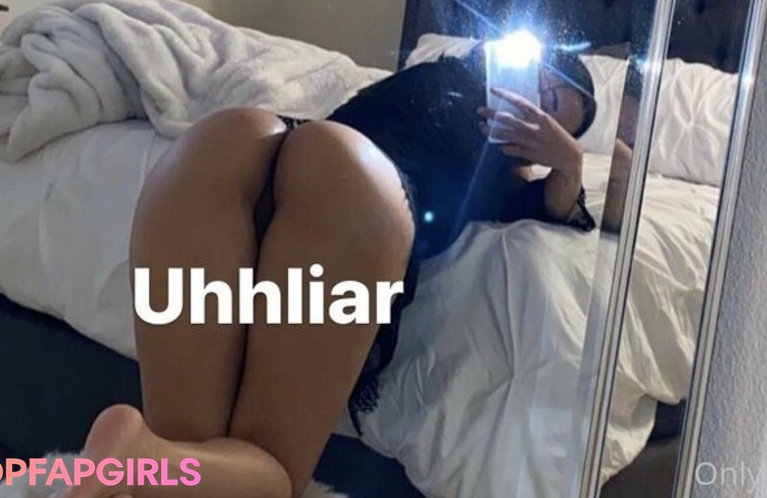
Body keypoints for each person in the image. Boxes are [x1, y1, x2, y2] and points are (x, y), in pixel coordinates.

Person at [67, 45, 598, 498]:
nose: (533, 100)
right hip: (351, 180)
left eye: (550, 110)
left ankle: (132, 459)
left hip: (230, 143)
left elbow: (561, 206)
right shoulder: (467, 104)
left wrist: (568, 161)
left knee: (184, 453)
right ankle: (134, 451)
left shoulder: (501, 163)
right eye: (540, 81)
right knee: (268, 469)